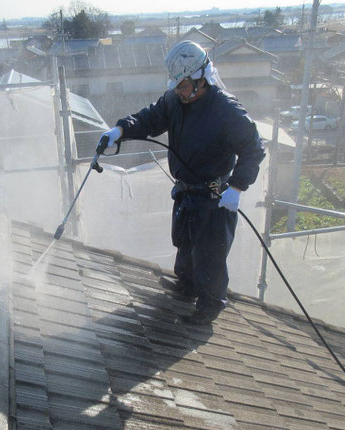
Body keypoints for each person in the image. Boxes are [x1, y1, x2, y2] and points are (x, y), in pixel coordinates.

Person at [97, 40, 265, 324]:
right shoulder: (175, 101)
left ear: (201, 79)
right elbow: (150, 118)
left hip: (214, 196)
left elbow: (253, 148)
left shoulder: (225, 109)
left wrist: (237, 187)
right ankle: (186, 286)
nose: (179, 90)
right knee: (185, 242)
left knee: (210, 252)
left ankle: (210, 305)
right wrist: (121, 129)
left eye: (184, 85)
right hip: (187, 191)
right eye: (176, 85)